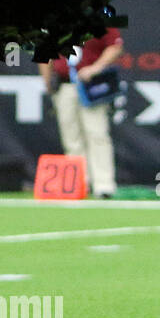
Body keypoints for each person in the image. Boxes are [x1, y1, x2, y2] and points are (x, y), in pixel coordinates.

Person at [39, 29, 124, 199]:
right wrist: (47, 80)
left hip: (90, 85)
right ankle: (78, 183)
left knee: (97, 133)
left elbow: (115, 47)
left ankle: (103, 185)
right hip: (64, 84)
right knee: (71, 137)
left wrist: (96, 68)